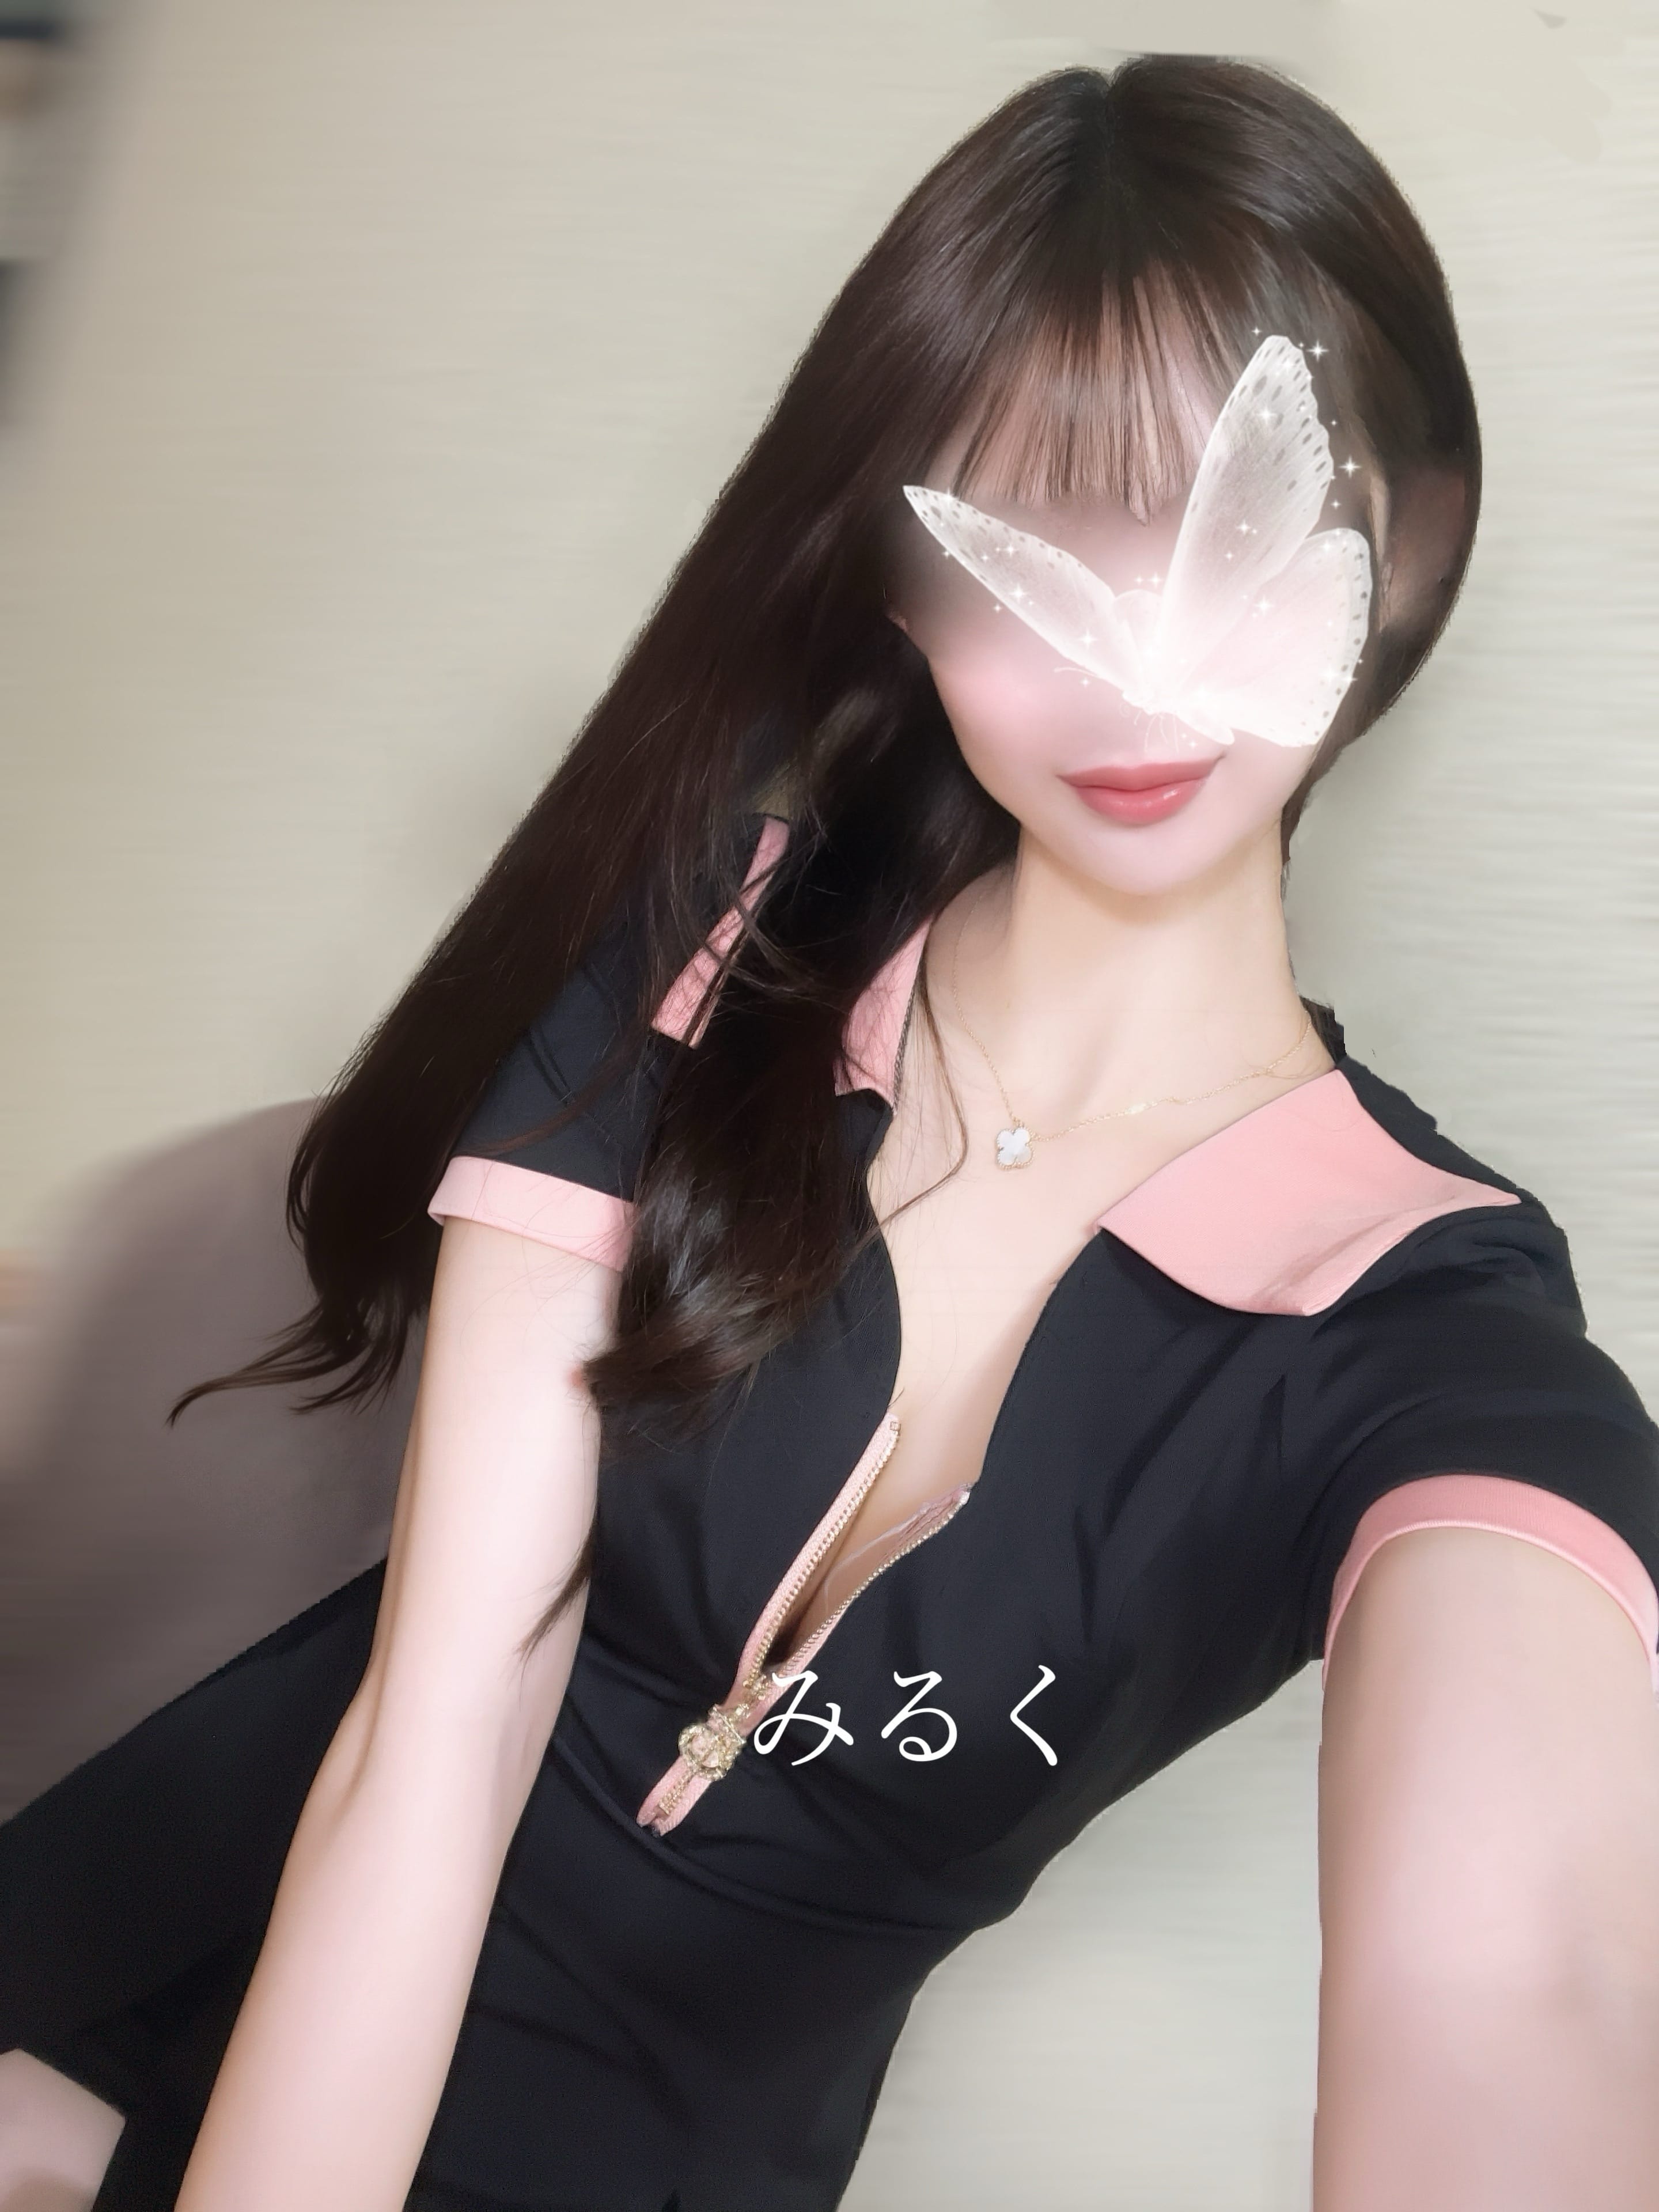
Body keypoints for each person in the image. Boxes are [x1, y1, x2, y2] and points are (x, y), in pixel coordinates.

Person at [3, 54, 1658, 2212]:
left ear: (1405, 541)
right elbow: (439, 1736)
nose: (1135, 666)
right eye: (1027, 546)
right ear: (905, 587)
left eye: (1224, 524)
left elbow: (1518, 1995)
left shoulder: (1427, 1325)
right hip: (191, 1985)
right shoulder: (713, 959)